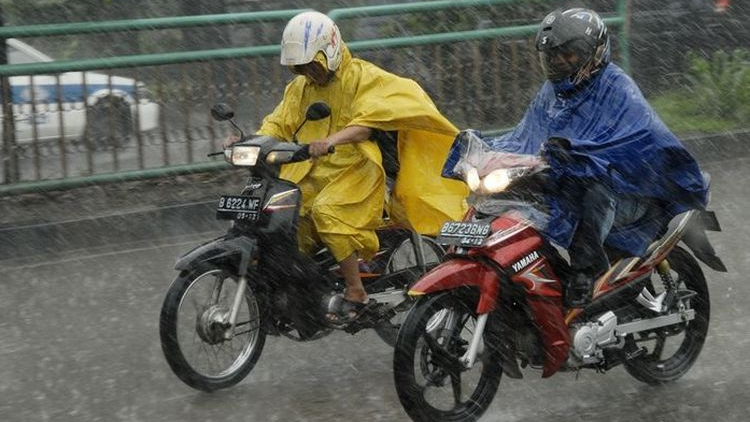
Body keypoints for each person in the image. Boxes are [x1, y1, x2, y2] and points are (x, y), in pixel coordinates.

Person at [446, 8, 708, 308]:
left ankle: (585, 272)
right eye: (552, 56)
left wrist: (580, 154)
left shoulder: (617, 88)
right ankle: (540, 275)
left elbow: (632, 140)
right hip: (570, 179)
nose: (558, 62)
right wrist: (483, 152)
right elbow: (525, 137)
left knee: (593, 192)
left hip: (630, 190)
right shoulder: (551, 93)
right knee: (515, 194)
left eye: (568, 55)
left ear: (592, 53)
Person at [225, 11, 468, 322]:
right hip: (308, 172)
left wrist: (330, 141)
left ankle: (356, 291)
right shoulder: (299, 89)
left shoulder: (363, 78)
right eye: (301, 66)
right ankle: (306, 288)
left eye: (312, 63)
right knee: (282, 217)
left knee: (328, 212)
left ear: (330, 50)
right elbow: (278, 124)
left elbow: (367, 123)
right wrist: (248, 141)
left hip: (356, 171)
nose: (308, 71)